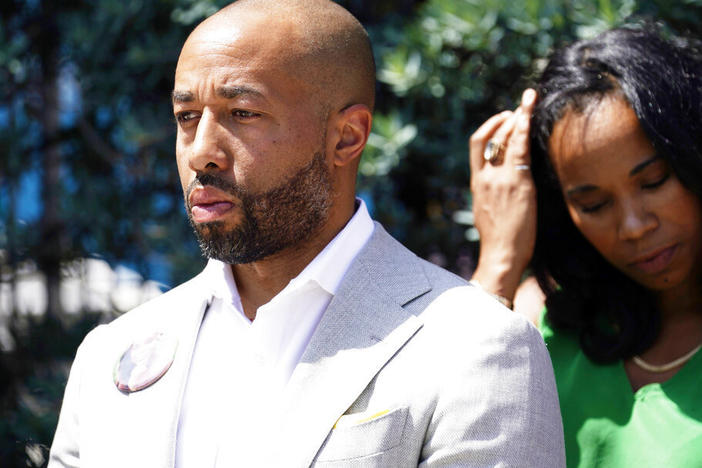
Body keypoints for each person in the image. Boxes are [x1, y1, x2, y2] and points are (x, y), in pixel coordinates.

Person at [49, 1, 565, 467]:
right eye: (187, 117)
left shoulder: (477, 347)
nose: (200, 150)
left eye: (243, 114)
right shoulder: (109, 355)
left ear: (348, 136)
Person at [469, 25, 702, 467]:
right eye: (593, 203)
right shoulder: (536, 322)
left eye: (654, 182)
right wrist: (498, 263)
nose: (634, 227)